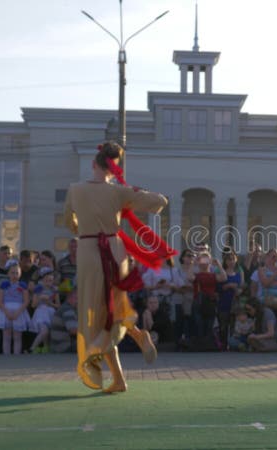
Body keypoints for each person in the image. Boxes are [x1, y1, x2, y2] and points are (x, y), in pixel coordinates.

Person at [63, 140, 175, 393]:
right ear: (113, 168)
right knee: (109, 313)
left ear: (94, 164)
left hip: (89, 251)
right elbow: (160, 201)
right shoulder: (117, 192)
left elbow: (68, 221)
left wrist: (85, 229)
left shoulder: (75, 189)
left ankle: (129, 351)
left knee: (98, 316)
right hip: (114, 252)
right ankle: (125, 365)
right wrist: (132, 192)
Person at [0, 262, 31, 355]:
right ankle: (6, 355)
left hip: (19, 311)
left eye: (16, 273)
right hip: (5, 310)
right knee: (6, 336)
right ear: (8, 274)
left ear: (20, 274)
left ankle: (16, 356)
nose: (14, 275)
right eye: (12, 272)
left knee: (17, 336)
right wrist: (7, 312)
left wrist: (17, 312)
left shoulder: (23, 285)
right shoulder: (3, 285)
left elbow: (26, 301)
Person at [29, 267, 60, 353]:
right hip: (40, 313)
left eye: (50, 280)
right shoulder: (38, 289)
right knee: (44, 331)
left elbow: (58, 306)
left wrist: (49, 303)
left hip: (50, 312)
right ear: (42, 280)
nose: (48, 283)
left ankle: (46, 348)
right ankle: (32, 348)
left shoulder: (54, 290)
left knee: (47, 332)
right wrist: (40, 298)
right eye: (46, 280)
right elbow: (33, 305)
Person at [50, 287, 78, 354]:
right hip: (64, 347)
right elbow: (73, 331)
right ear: (70, 298)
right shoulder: (67, 310)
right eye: (77, 298)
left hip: (58, 346)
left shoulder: (64, 308)